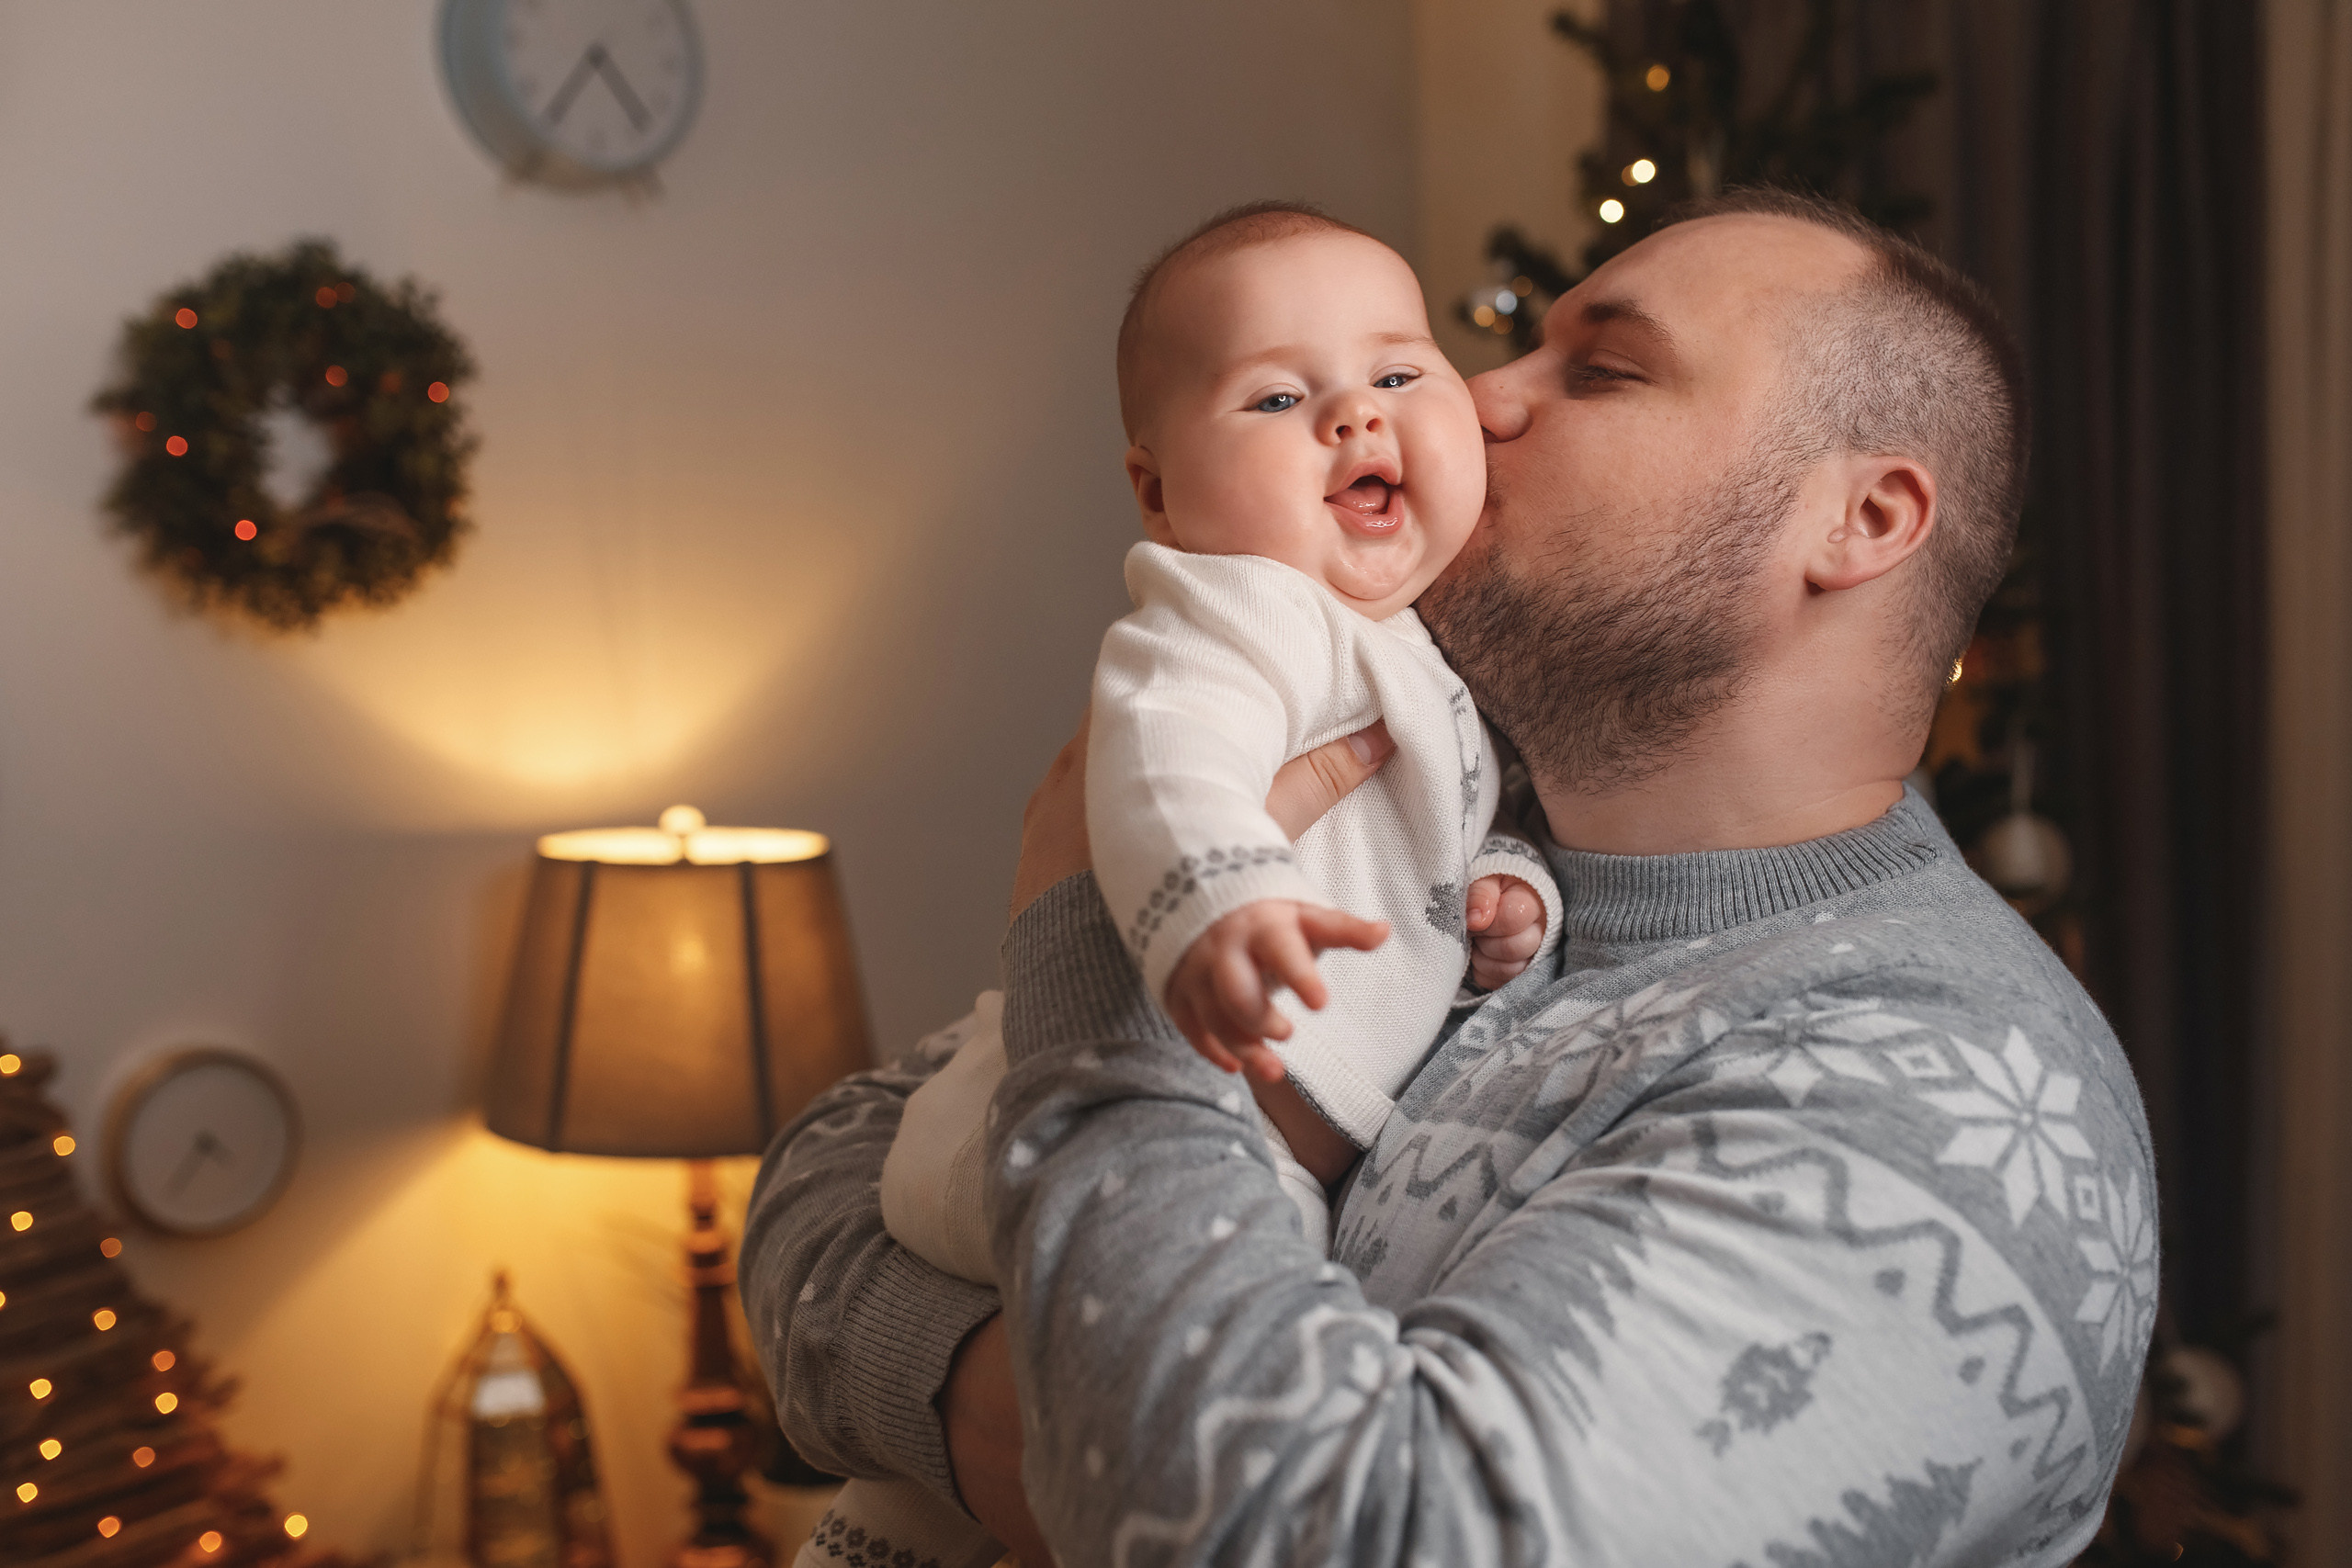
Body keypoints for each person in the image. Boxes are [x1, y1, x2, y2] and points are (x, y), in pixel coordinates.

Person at [743, 188, 2156, 1567]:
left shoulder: (1946, 1091)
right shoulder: (1438, 816)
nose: (1474, 397)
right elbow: (825, 1182)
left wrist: (1098, 957)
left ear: (1861, 520)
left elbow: (1329, 1539)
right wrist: (1028, 1417)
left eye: (1600, 369)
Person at [821, 202, 1558, 1568]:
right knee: (1134, 1367)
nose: (1355, 417)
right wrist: (1216, 901)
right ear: (1158, 490)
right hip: (1037, 1120)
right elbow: (1164, 766)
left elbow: (1437, 831)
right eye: (1281, 397)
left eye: (1401, 373)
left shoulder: (1419, 645)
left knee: (1032, 1455)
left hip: (1237, 1132)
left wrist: (1508, 891)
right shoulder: (1230, 614)